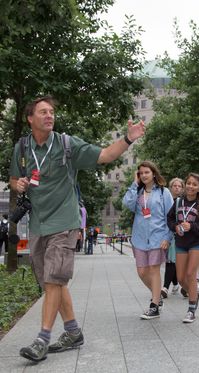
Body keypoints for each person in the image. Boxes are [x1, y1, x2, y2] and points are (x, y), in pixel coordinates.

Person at [9, 95, 145, 362]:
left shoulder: (66, 144)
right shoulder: (22, 147)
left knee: (53, 280)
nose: (49, 116)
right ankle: (73, 332)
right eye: (43, 112)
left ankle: (42, 340)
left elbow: (105, 155)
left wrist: (128, 139)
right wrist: (18, 185)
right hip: (38, 222)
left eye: (52, 112)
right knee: (52, 283)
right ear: (30, 118)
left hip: (65, 221)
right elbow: (14, 178)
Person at [123, 161, 173, 320]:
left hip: (158, 237)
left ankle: (154, 305)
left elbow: (170, 217)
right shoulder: (137, 192)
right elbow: (126, 204)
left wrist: (167, 237)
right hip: (139, 238)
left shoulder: (164, 192)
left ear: (153, 174)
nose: (144, 175)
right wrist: (134, 184)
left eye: (147, 172)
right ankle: (157, 297)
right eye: (141, 173)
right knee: (142, 272)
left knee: (153, 269)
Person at [167, 173, 199, 323]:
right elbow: (170, 218)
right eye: (189, 183)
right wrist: (176, 227)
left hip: (196, 243)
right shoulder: (179, 202)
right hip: (181, 243)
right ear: (185, 184)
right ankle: (194, 294)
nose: (191, 186)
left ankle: (191, 308)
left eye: (194, 184)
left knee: (190, 274)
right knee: (181, 278)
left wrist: (191, 226)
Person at [161, 178, 184, 299]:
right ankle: (176, 284)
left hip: (179, 235)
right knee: (171, 261)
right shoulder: (165, 200)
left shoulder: (183, 201)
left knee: (172, 261)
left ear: (182, 188)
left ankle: (165, 287)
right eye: (174, 186)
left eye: (179, 186)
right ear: (170, 188)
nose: (176, 188)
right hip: (166, 232)